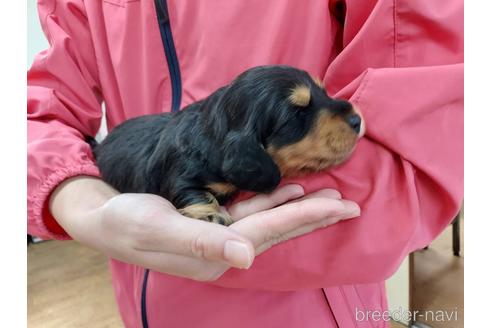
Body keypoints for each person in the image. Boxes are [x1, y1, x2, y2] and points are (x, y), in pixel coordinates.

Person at [27, 0, 463, 327]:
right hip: (141, 298)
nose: (344, 112)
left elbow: (422, 150)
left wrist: (218, 240)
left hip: (308, 309)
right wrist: (80, 203)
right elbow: (39, 109)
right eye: (299, 112)